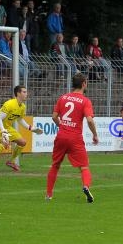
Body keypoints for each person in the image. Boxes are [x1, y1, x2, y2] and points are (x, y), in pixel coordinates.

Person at [46, 73, 99, 202]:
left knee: (55, 165)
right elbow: (90, 120)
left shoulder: (63, 98)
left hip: (61, 135)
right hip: (75, 138)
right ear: (83, 84)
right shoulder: (85, 101)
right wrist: (95, 135)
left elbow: (54, 117)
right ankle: (86, 186)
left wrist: (63, 126)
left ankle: (48, 195)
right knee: (84, 167)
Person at [0, 85, 43, 173]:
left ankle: (11, 161)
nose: (26, 94)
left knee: (22, 142)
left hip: (7, 127)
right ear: (18, 93)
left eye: (26, 92)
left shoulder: (23, 107)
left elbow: (19, 119)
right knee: (4, 143)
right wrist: (3, 131)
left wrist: (31, 128)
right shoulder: (9, 104)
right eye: (24, 92)